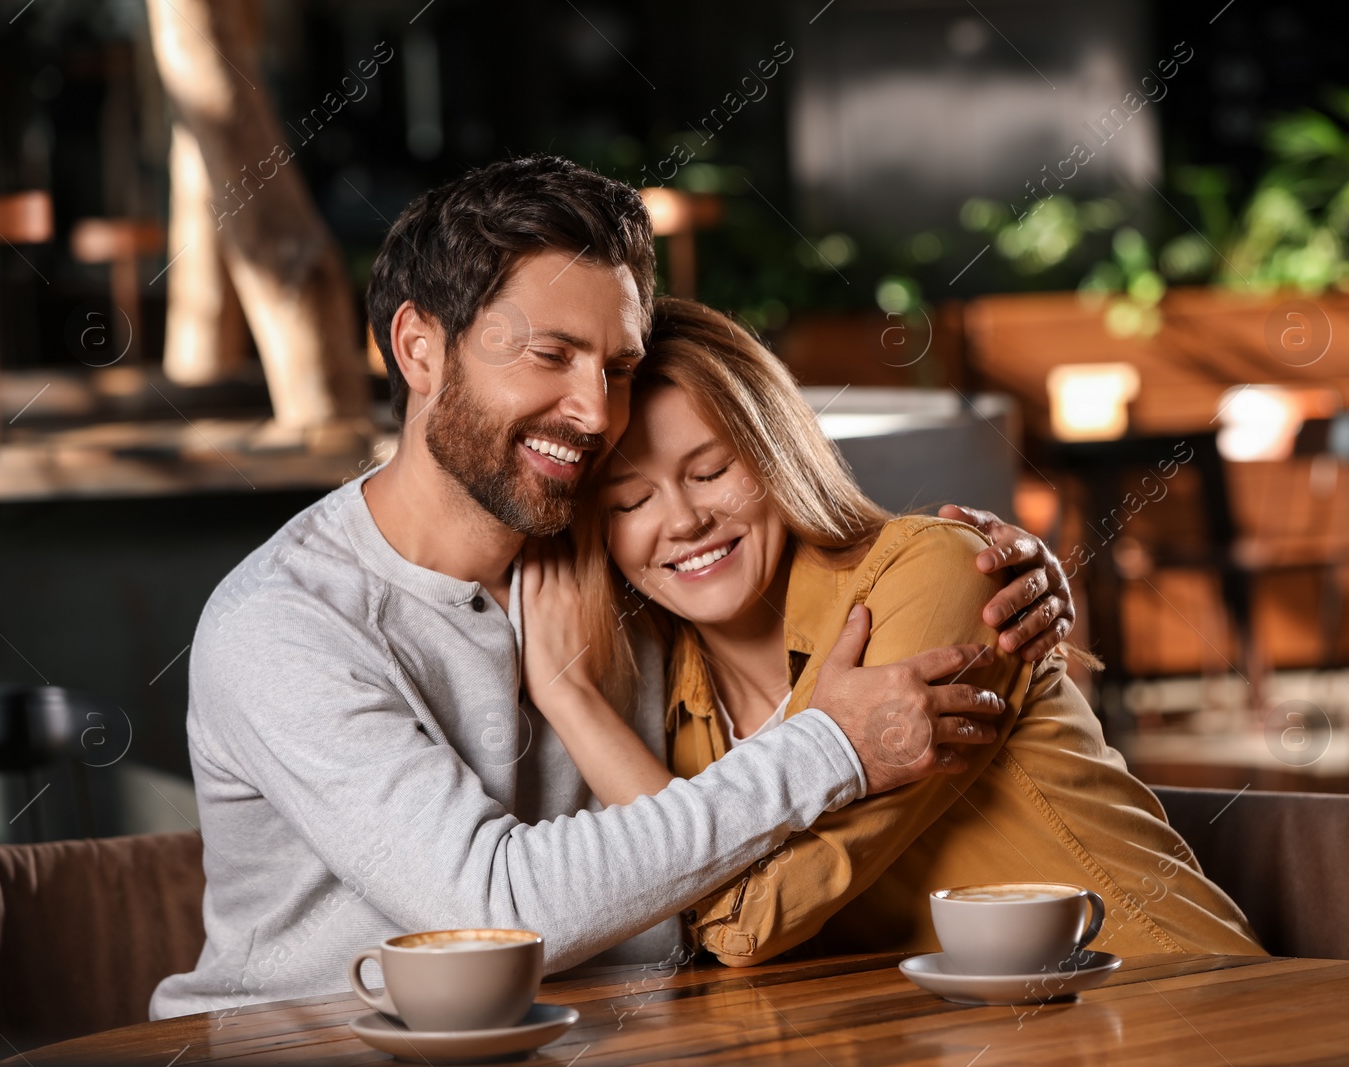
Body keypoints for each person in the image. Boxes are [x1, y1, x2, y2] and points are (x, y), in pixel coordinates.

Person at [150, 156, 1073, 1020]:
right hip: (306, 1046)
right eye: (550, 356)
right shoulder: (284, 624)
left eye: (618, 367)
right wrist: (832, 747)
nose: (597, 412)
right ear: (419, 350)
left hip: (622, 1037)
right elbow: (494, 909)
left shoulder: (630, 560)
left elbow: (820, 600)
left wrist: (992, 563)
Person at [519, 296, 1266, 967]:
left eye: (711, 470)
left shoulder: (939, 576)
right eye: (629, 502)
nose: (682, 521)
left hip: (1173, 1004)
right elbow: (685, 905)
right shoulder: (678, 707)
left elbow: (737, 922)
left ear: (778, 454)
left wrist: (578, 705)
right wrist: (570, 693)